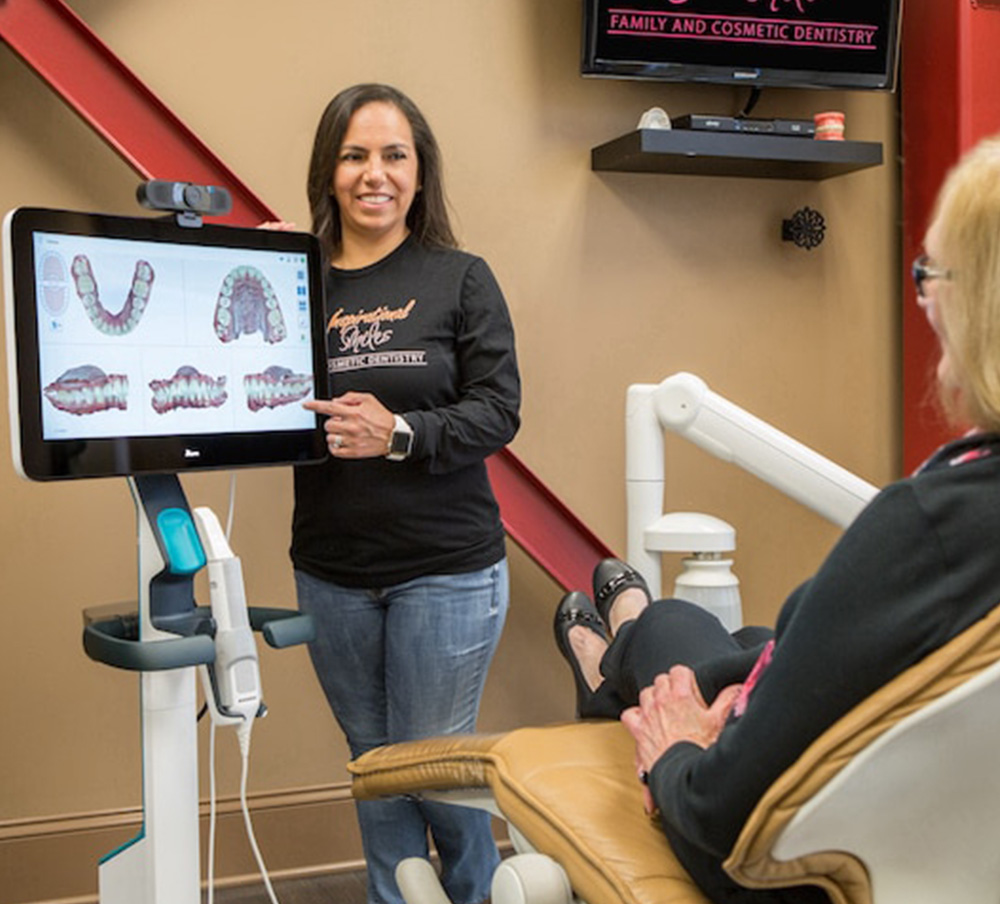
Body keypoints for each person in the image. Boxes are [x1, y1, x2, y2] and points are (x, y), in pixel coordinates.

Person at [554, 134, 1000, 904]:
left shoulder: (929, 526)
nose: (927, 305)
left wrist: (678, 751)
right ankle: (643, 645)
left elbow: (723, 816)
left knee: (674, 634)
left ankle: (616, 660)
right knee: (751, 645)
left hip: (808, 868)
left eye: (933, 279)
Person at [291, 83, 520, 904]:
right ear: (329, 171)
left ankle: (477, 897)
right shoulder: (296, 283)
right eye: (354, 155)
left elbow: (499, 413)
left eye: (394, 155)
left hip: (445, 571)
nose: (373, 173)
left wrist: (400, 434)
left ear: (420, 175)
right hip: (330, 572)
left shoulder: (459, 278)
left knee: (431, 770)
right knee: (371, 769)